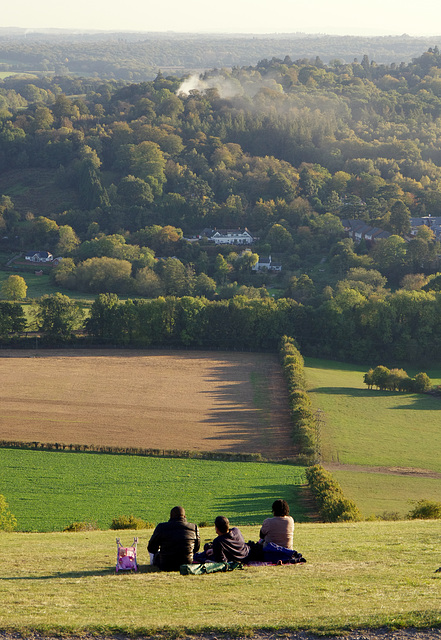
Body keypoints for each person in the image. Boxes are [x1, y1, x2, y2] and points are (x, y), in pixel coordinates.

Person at [147, 506, 200, 571]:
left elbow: (151, 548)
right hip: (187, 563)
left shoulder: (161, 527)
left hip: (165, 564)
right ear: (184, 516)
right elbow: (196, 547)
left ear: (171, 516)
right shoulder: (194, 527)